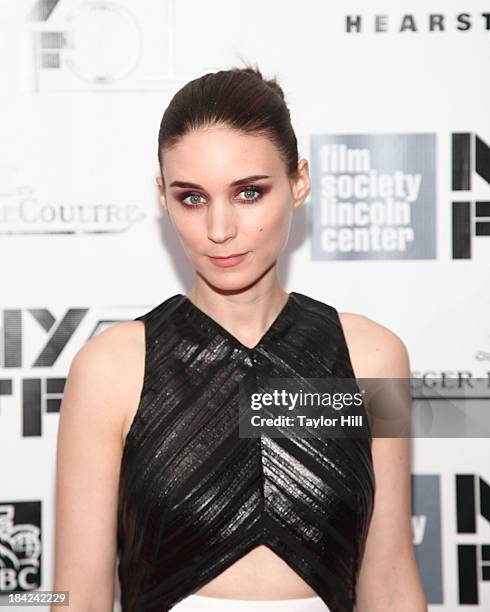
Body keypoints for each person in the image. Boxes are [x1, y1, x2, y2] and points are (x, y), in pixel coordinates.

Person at [51, 64, 428, 612]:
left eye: (248, 193)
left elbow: (390, 582)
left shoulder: (371, 358)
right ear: (163, 197)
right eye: (193, 198)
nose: (220, 229)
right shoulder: (111, 369)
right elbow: (75, 597)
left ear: (298, 183)